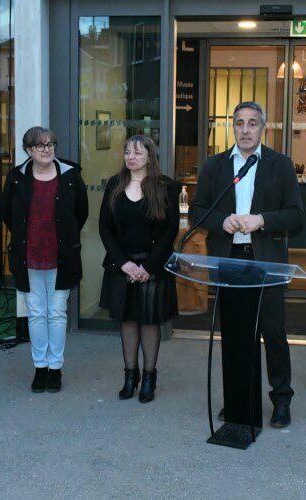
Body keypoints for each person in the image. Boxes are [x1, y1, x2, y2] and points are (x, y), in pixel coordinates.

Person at [189, 101, 303, 428]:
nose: (245, 129)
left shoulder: (280, 165)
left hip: (266, 261)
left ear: (262, 128)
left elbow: (296, 216)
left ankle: (281, 399)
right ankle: (238, 397)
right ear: (232, 127)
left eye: (252, 123)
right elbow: (198, 211)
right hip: (230, 261)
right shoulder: (214, 166)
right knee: (236, 334)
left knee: (273, 331)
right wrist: (221, 220)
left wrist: (262, 220)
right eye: (239, 123)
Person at [0, 127, 88, 394]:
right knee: (37, 314)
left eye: (51, 144)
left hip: (62, 256)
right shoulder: (16, 178)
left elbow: (80, 213)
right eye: (40, 146)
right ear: (29, 150)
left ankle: (55, 368)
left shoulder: (71, 176)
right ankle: (40, 368)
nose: (47, 149)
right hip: (29, 256)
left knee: (57, 313)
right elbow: (7, 214)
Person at [98, 135, 181, 403]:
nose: (131, 157)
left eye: (138, 152)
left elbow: (170, 231)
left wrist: (148, 266)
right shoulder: (114, 185)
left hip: (152, 266)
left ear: (150, 156)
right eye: (127, 152)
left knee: (149, 321)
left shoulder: (166, 187)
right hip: (122, 265)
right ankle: (129, 376)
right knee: (128, 320)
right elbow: (105, 228)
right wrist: (124, 263)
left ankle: (148, 378)